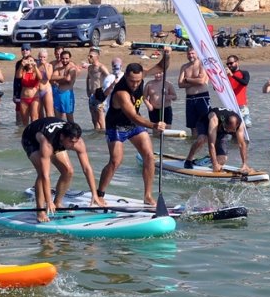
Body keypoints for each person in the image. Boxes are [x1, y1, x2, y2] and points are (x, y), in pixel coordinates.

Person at [96, 50, 171, 206]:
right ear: (126, 77)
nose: (135, 84)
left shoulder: (140, 76)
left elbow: (162, 66)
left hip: (133, 126)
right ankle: (99, 194)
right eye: (131, 81)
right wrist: (154, 125)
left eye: (138, 81)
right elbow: (134, 116)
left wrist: (167, 55)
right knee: (116, 161)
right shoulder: (121, 93)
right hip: (116, 126)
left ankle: (148, 196)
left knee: (149, 156)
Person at [22, 118, 102, 222]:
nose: (73, 146)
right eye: (70, 142)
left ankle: (58, 203)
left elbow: (87, 168)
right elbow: (45, 176)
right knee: (42, 173)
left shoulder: (77, 142)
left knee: (68, 171)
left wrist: (94, 194)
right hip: (31, 138)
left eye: (75, 142)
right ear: (62, 136)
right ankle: (40, 211)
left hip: (55, 139)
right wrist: (48, 200)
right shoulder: (47, 144)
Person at [179, 49, 212, 168]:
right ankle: (194, 153)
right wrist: (195, 81)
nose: (190, 55)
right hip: (189, 99)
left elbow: (202, 81)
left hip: (202, 97)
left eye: (193, 53)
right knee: (193, 127)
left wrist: (187, 79)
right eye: (188, 53)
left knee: (207, 126)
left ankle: (209, 154)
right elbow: (180, 84)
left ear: (197, 53)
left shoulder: (202, 64)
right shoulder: (184, 67)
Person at [202, 107, 251, 173]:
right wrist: (215, 164)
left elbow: (242, 144)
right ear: (225, 124)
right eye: (230, 129)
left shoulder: (240, 124)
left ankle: (208, 160)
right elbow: (211, 144)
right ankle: (190, 159)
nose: (233, 131)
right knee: (201, 139)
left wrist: (244, 164)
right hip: (207, 123)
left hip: (221, 130)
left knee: (222, 159)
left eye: (234, 129)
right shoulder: (215, 119)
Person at [50, 50, 80, 123]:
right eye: (63, 58)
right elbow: (51, 78)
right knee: (57, 118)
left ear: (70, 58)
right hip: (58, 94)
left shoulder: (72, 68)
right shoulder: (58, 68)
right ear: (60, 58)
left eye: (66, 58)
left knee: (69, 117)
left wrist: (58, 80)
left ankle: (73, 133)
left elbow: (68, 79)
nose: (65, 60)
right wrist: (63, 77)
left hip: (67, 94)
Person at [85, 47, 111, 130]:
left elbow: (110, 78)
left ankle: (104, 136)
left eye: (91, 56)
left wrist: (105, 91)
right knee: (94, 119)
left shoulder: (101, 67)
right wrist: (87, 90)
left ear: (97, 57)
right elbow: (88, 78)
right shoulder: (90, 68)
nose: (89, 58)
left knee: (101, 119)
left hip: (100, 95)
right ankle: (97, 136)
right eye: (88, 56)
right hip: (92, 95)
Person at [225, 54, 252, 127]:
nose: (229, 65)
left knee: (245, 126)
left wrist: (232, 76)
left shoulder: (244, 73)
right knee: (232, 128)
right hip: (230, 105)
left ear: (237, 62)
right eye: (227, 64)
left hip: (241, 106)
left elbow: (245, 83)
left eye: (231, 63)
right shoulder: (226, 76)